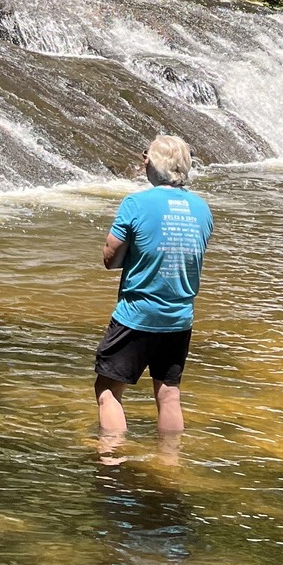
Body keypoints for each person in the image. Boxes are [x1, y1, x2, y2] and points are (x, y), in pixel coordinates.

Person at [94, 134, 213, 441]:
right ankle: (169, 466)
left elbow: (110, 256)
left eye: (147, 155)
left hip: (138, 313)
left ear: (156, 163)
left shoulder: (136, 202)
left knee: (108, 388)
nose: (143, 159)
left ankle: (112, 461)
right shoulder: (202, 209)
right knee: (169, 392)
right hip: (179, 316)